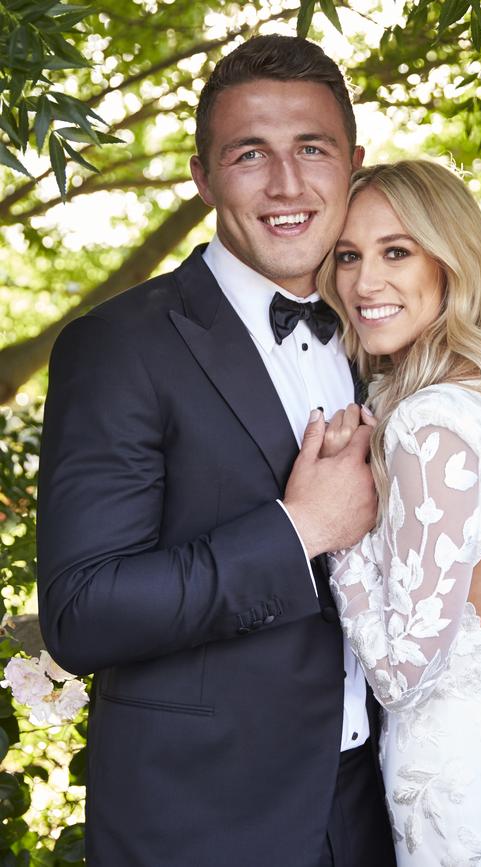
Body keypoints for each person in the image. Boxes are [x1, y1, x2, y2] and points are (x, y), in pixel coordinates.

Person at [36, 35, 396, 867]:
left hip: (377, 810)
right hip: (204, 822)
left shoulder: (385, 335)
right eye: (249, 154)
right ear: (202, 177)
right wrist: (296, 529)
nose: (286, 184)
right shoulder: (118, 345)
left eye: (312, 149)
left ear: (353, 163)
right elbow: (82, 611)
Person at [316, 160, 481, 865]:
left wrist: (336, 533)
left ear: (450, 262)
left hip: (463, 811)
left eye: (395, 251)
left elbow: (405, 674)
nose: (364, 282)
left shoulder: (427, 424)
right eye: (348, 255)